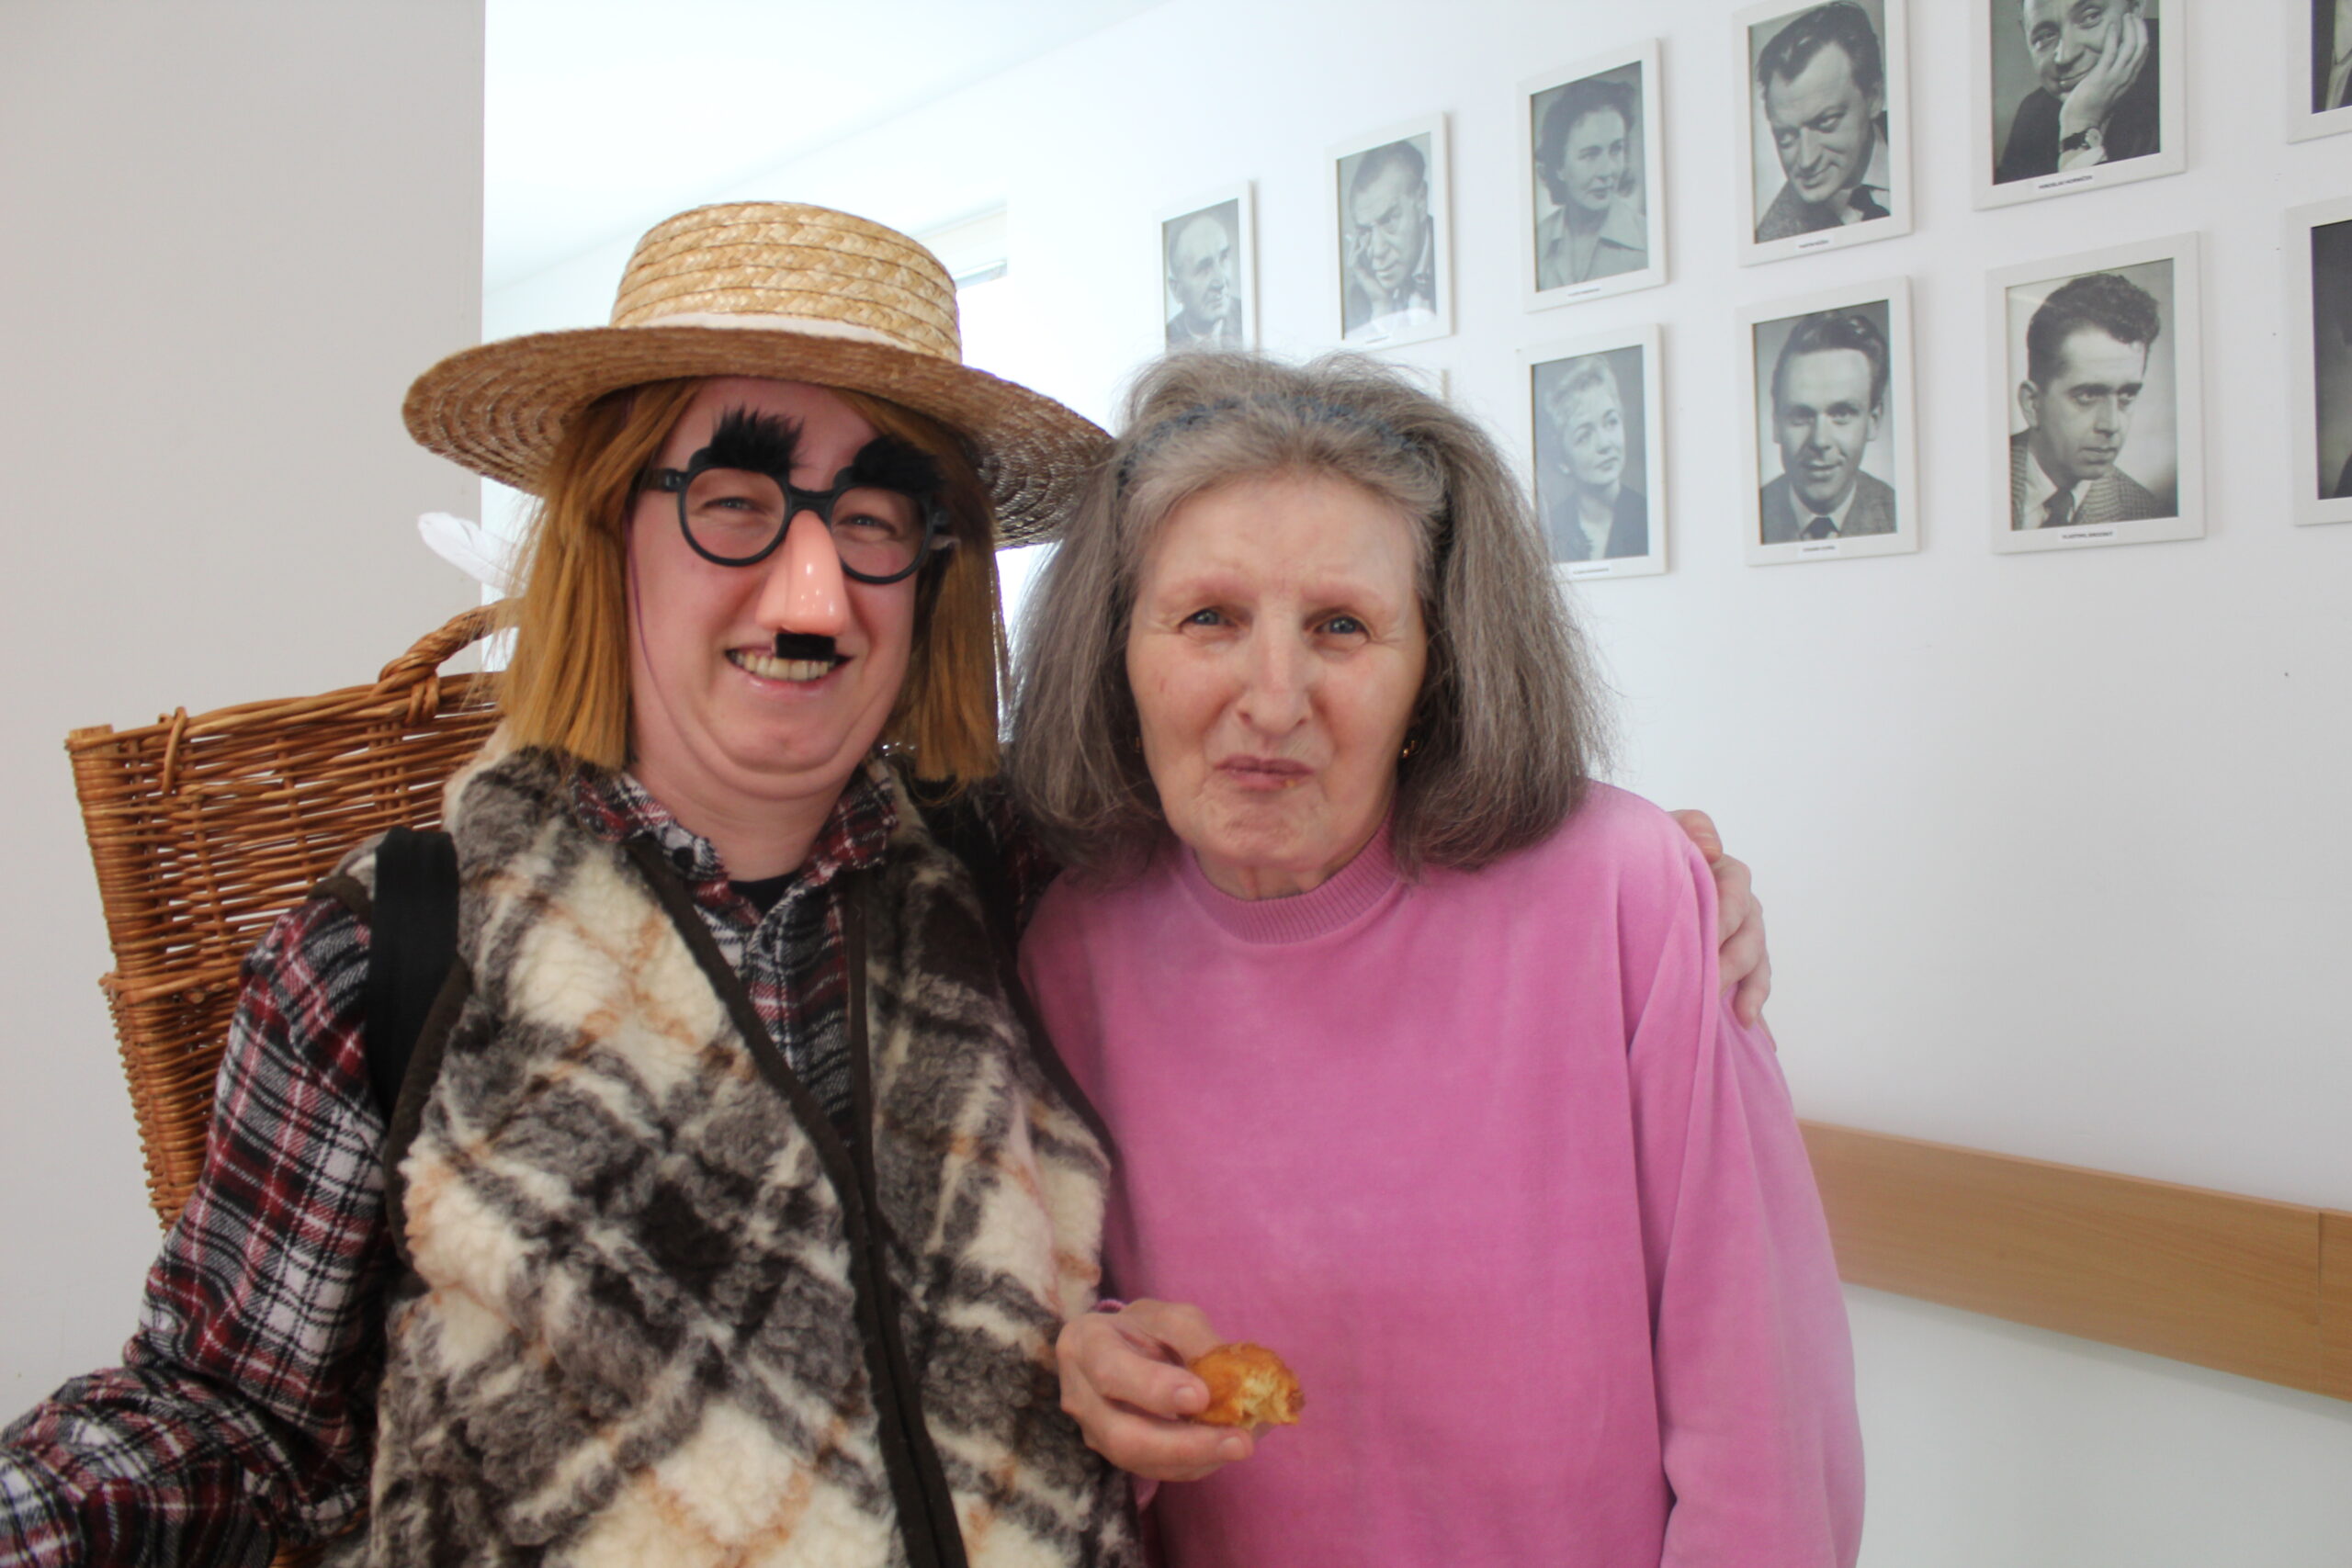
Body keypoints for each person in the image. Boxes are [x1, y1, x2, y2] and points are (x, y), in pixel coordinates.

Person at [0, 201, 1143, 1568]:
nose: (814, 596)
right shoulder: (390, 953)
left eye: (874, 519)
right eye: (734, 503)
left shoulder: (1017, 886)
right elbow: (230, 1419)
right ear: (610, 529)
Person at [1014, 353, 1860, 1568]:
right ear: (1117, 651)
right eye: (1209, 618)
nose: (1273, 697)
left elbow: (1761, 1414)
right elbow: (1059, 1318)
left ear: (1436, 667)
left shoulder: (1624, 894)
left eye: (1342, 627)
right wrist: (1099, 1365)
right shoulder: (1068, 945)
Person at [2010, 270, 2170, 528]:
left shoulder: (2145, 514)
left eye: (2127, 395)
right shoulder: (1975, 478)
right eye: (2088, 395)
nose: (2111, 424)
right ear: (2032, 404)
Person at [1753, 2, 1893, 242]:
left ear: (1873, 98)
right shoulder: (1773, 236)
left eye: (1826, 122)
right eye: (1786, 137)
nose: (1807, 161)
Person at [1760, 308, 1897, 543]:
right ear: (1776, 423)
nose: (1819, 441)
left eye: (1841, 413)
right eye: (1800, 415)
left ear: (1873, 421)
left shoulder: (1898, 515)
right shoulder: (1747, 517)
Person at [1995, 0, 2159, 185]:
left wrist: (2079, 125)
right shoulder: (2033, 115)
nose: (2066, 56)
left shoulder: (2178, 81)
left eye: (2090, 17)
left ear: (2135, 7)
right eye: (2046, 36)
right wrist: (2079, 120)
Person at [1533, 76, 1647, 288]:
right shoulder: (1535, 243)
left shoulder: (1648, 241)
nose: (1608, 171)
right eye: (1590, 155)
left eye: (1616, 149)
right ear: (1559, 166)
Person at [1540, 354, 1648, 561]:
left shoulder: (1647, 516)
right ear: (1562, 460)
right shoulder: (1550, 529)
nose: (1605, 444)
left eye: (1611, 422)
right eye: (1584, 436)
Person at [1341, 139, 1437, 341]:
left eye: (1388, 220)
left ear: (1421, 201)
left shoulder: (1458, 264)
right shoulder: (1361, 295)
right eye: (1365, 230)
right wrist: (1381, 306)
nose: (1377, 250)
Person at [1164, 209, 1242, 349]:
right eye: (1204, 268)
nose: (1220, 282)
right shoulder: (1167, 338)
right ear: (1176, 290)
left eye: (1223, 258)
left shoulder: (1244, 318)